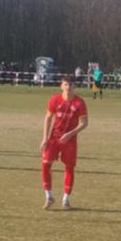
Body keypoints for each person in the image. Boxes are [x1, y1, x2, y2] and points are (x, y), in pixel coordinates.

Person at [40, 74, 89, 209]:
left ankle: (66, 199)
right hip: (54, 138)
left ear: (75, 86)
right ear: (61, 86)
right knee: (45, 164)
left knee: (69, 167)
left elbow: (84, 123)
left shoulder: (79, 103)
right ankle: (49, 196)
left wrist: (70, 134)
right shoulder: (55, 100)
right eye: (66, 84)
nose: (68, 87)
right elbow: (48, 118)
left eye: (71, 85)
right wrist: (45, 138)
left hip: (70, 141)